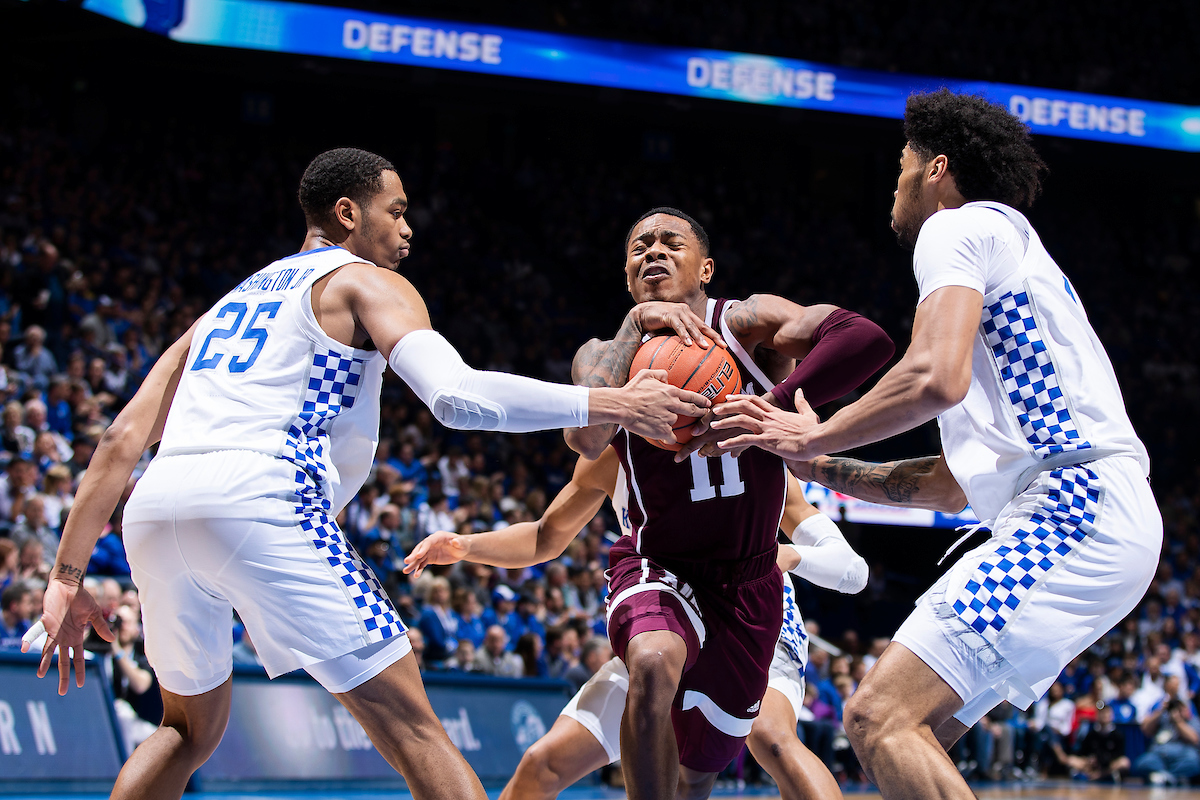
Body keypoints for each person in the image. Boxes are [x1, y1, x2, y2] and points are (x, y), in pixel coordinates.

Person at [21, 147, 714, 800]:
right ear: (348, 213)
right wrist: (613, 402)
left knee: (184, 729)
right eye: (397, 210)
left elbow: (119, 440)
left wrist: (65, 577)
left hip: (156, 504)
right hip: (263, 497)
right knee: (415, 729)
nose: (408, 229)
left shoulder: (225, 307)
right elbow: (455, 397)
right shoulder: (363, 280)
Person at [701, 90, 1163, 799]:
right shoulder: (1010, 272)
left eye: (901, 166)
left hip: (1073, 504)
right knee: (918, 738)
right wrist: (821, 464)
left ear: (936, 168)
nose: (895, 183)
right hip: (1088, 512)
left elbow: (931, 377)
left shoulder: (959, 226)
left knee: (878, 716)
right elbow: (949, 485)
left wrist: (814, 427)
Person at [557, 206, 892, 800]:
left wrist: (772, 405)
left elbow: (866, 338)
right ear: (627, 275)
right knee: (651, 662)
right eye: (639, 247)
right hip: (658, 563)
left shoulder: (746, 326)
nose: (653, 251)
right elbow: (584, 438)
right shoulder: (601, 356)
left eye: (670, 242)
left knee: (699, 773)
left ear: (706, 268)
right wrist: (635, 325)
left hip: (748, 581)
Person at [405, 449, 870, 800]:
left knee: (771, 739)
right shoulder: (616, 451)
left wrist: (787, 555)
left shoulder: (746, 447)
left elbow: (851, 569)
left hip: (748, 614)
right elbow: (546, 536)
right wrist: (466, 546)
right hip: (667, 611)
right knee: (543, 764)